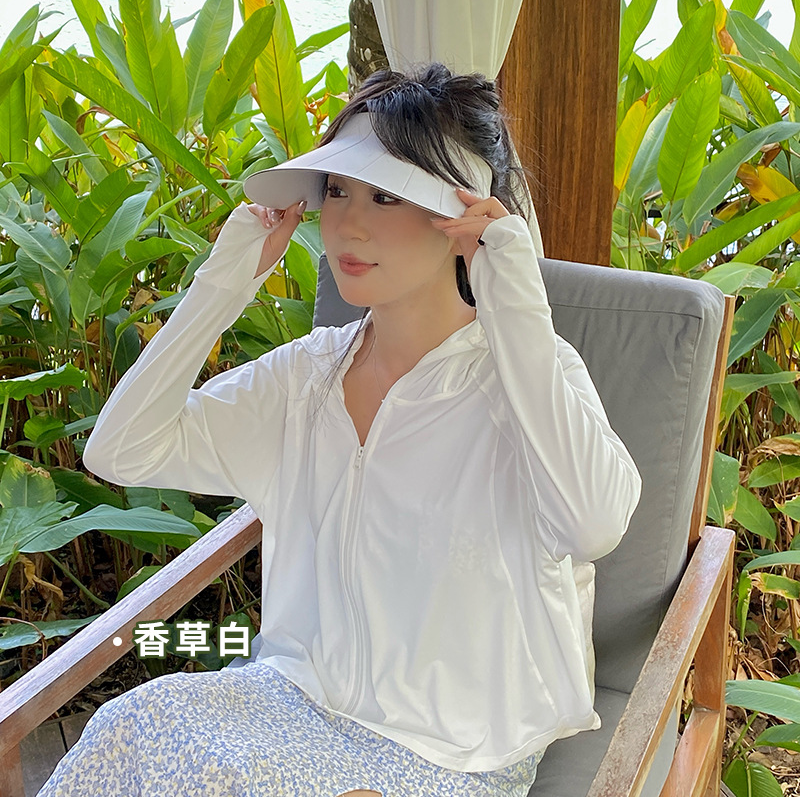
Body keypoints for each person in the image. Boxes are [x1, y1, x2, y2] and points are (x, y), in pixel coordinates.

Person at [38, 63, 642, 797]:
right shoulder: (307, 377)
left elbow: (593, 524)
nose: (348, 224)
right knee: (128, 726)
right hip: (293, 699)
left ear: (463, 218)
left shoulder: (526, 377)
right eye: (337, 189)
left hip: (459, 750)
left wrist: (514, 304)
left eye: (386, 195)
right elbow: (120, 450)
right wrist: (221, 286)